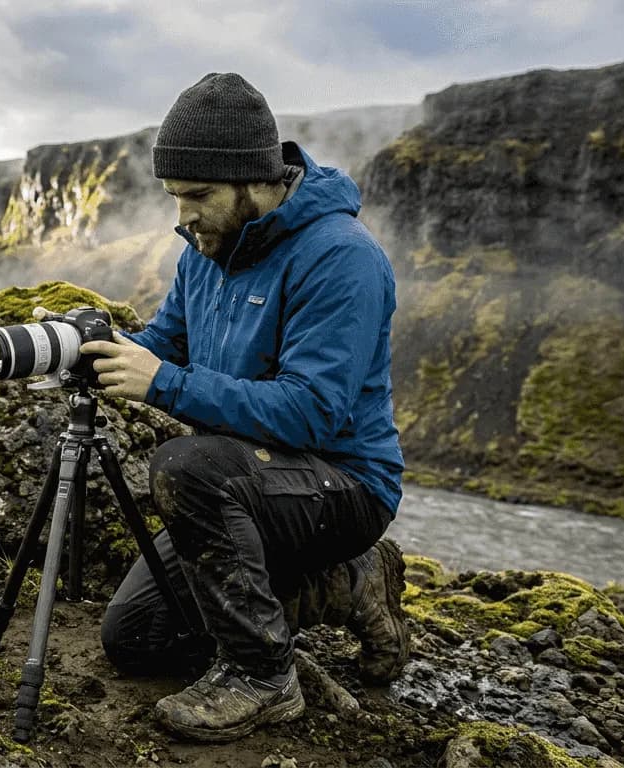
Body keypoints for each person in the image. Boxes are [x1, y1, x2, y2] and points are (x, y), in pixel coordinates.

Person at [78, 72, 409, 743]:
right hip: (249, 487)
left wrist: (164, 384)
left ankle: (263, 678)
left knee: (186, 467)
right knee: (136, 638)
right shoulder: (205, 251)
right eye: (175, 197)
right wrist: (91, 351)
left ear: (253, 180)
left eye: (197, 195)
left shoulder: (341, 258)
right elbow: (163, 343)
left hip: (342, 484)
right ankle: (344, 585)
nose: (183, 215)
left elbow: (313, 412)